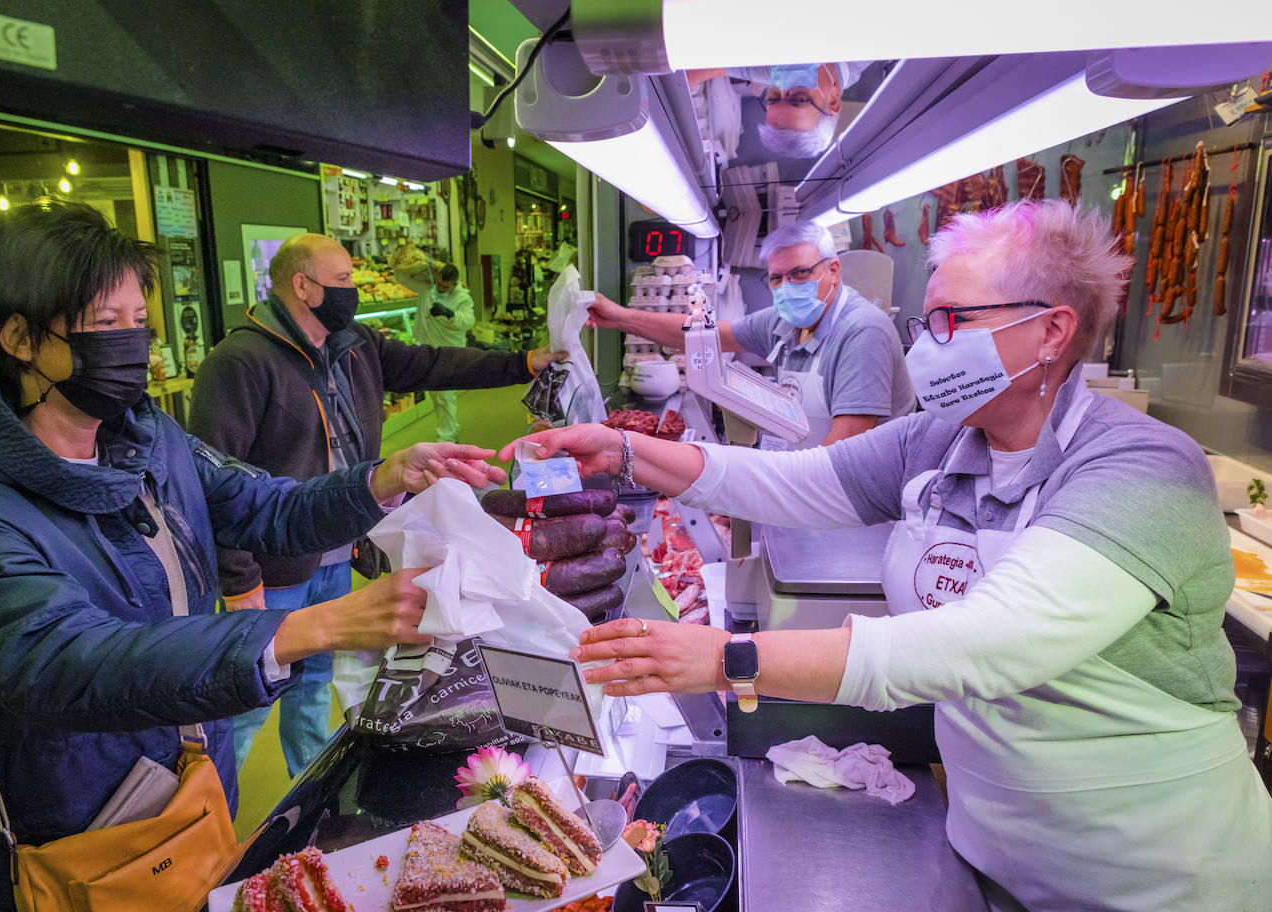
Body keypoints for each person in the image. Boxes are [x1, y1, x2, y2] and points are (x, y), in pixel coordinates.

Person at [505, 200, 1272, 911]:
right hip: (990, 852)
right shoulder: (942, 439)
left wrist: (729, 658)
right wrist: (623, 449)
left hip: (1161, 876)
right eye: (924, 322)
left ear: (1051, 331)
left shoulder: (1143, 468)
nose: (926, 348)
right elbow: (787, 481)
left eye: (951, 322)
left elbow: (985, 643)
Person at [0, 200, 506, 911]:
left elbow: (260, 506)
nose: (135, 344)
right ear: (19, 337)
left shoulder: (142, 433)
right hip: (73, 816)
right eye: (105, 325)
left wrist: (383, 476)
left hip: (191, 765)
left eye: (138, 321)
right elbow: (59, 658)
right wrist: (319, 626)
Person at [190, 234, 563, 777]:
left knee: (315, 688)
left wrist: (522, 362)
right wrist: (240, 581)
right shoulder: (239, 364)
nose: (354, 290)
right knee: (248, 706)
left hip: (336, 555)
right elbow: (218, 483)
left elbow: (436, 364)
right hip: (272, 570)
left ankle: (304, 798)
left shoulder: (353, 345)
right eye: (342, 280)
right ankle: (214, 823)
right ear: (302, 285)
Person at [588, 219, 914, 446]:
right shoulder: (782, 322)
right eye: (776, 278)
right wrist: (618, 317)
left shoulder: (861, 332)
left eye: (800, 273)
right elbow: (696, 336)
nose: (787, 287)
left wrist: (755, 484)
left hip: (858, 519)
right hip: (808, 492)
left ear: (833, 270)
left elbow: (844, 452)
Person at [687, 61, 872, 159]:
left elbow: (701, 71)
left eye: (773, 96)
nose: (783, 86)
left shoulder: (779, 73)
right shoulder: (869, 43)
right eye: (799, 98)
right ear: (833, 100)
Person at [414, 263, 476, 442]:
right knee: (437, 394)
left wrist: (450, 314)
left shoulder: (463, 298)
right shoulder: (430, 290)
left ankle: (446, 436)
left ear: (455, 283)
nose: (440, 288)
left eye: (445, 286)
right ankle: (451, 428)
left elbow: (468, 321)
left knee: (444, 394)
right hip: (429, 348)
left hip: (450, 352)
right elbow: (404, 277)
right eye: (439, 284)